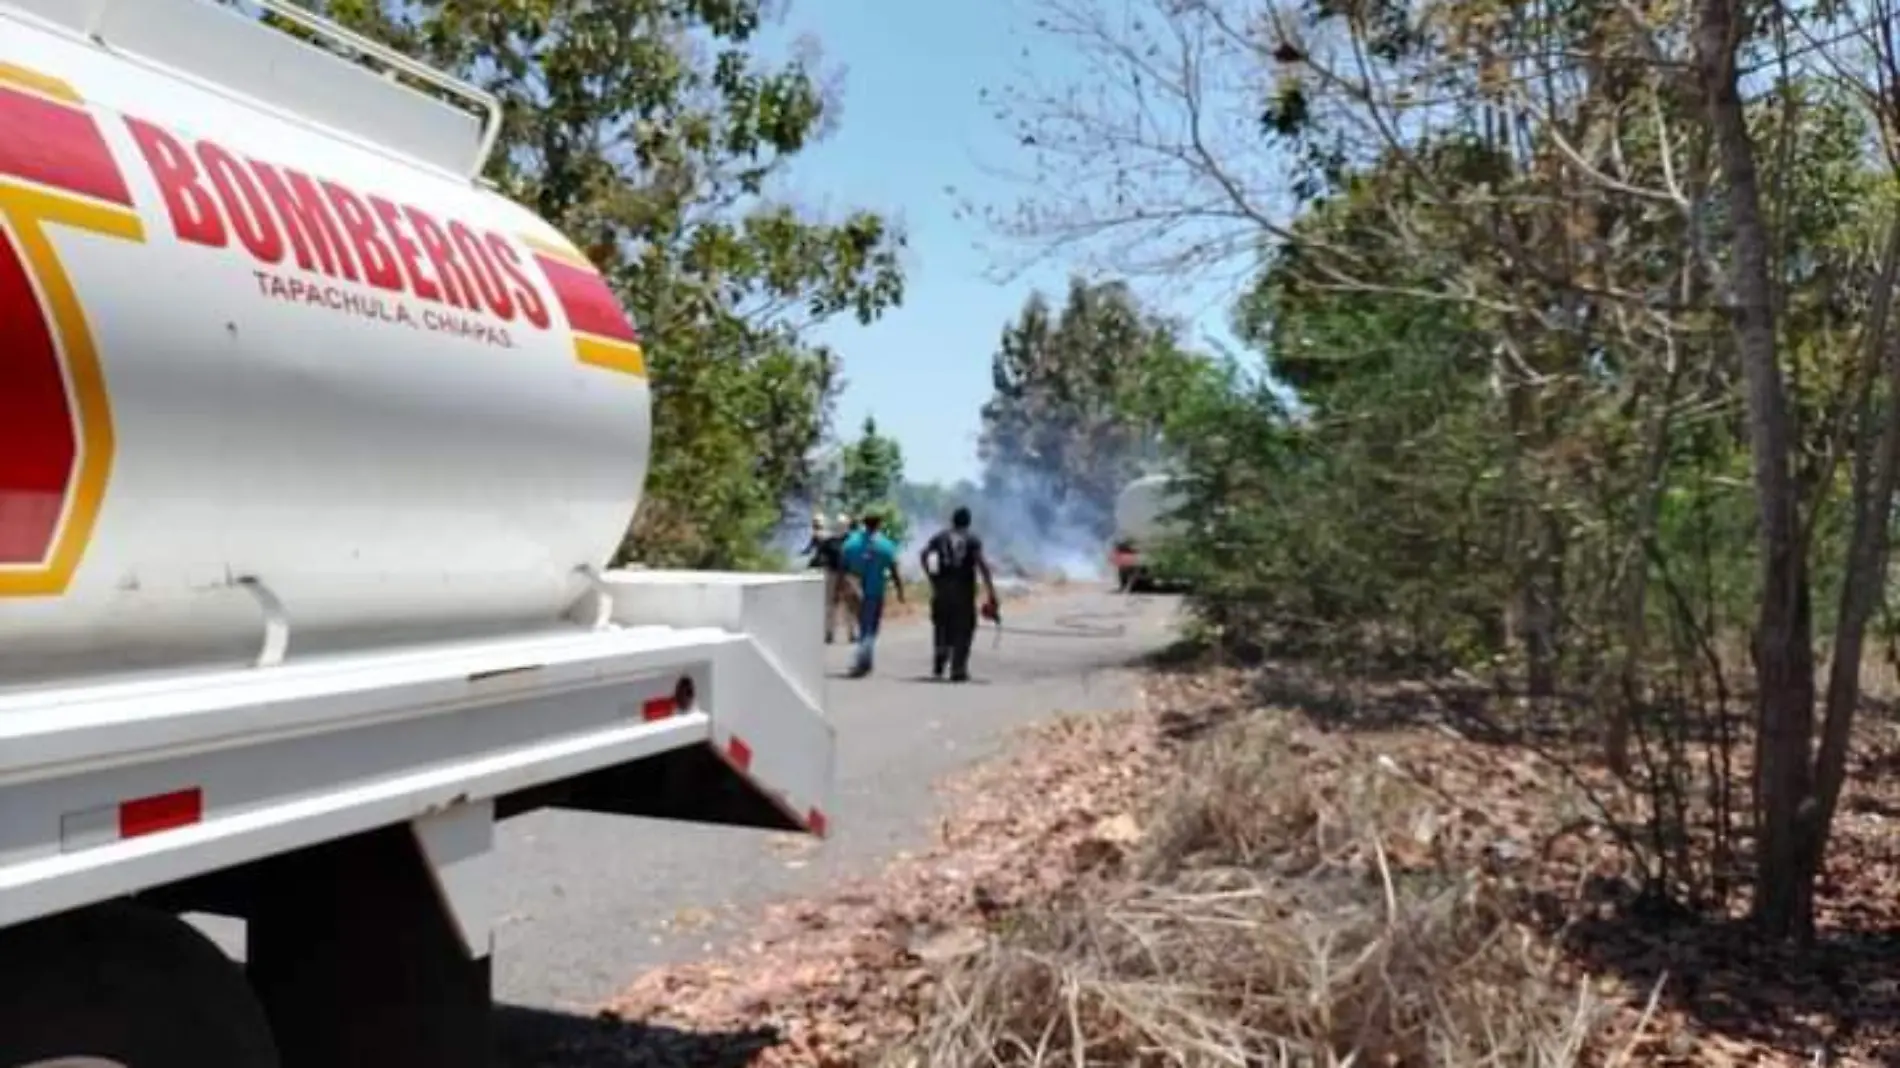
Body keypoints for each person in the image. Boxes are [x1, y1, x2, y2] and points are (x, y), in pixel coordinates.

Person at [919, 506, 998, 681]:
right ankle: (958, 668)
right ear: (968, 522)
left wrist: (932, 576)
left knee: (942, 624)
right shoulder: (972, 539)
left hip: (942, 589)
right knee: (964, 628)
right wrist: (991, 592)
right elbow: (982, 566)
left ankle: (940, 660)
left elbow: (924, 555)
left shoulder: (939, 537)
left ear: (952, 520)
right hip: (963, 591)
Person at [840, 510, 903, 677]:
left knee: (863, 625)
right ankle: (861, 661)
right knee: (870, 629)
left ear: (864, 523)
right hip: (875, 592)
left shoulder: (851, 543)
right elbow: (894, 569)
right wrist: (900, 591)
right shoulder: (886, 545)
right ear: (879, 524)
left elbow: (842, 567)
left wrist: (840, 589)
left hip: (855, 591)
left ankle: (866, 662)